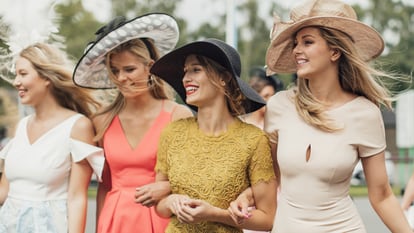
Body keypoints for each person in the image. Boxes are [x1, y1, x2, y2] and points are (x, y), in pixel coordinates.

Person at [230, 0, 413, 232]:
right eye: (296, 43)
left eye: (307, 42)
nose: (297, 50)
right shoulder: (279, 106)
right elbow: (271, 178)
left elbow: (382, 196)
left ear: (334, 51)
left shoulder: (365, 113)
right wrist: (246, 196)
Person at [72, 13, 193, 233]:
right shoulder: (101, 120)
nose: (121, 78)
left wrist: (166, 186)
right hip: (115, 220)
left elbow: (195, 178)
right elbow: (104, 186)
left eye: (129, 69)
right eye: (115, 71)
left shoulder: (177, 115)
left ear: (150, 67)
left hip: (162, 219)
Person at [150, 38, 277, 232]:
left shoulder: (253, 140)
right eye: (185, 71)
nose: (185, 79)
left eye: (196, 69)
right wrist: (171, 201)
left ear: (223, 78)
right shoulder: (172, 132)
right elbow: (160, 207)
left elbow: (267, 219)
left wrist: (216, 214)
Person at [0, 42, 104, 233]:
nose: (16, 82)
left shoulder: (78, 126)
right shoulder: (22, 126)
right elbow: (4, 191)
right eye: (16, 75)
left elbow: (77, 198)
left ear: (46, 78)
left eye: (23, 74)